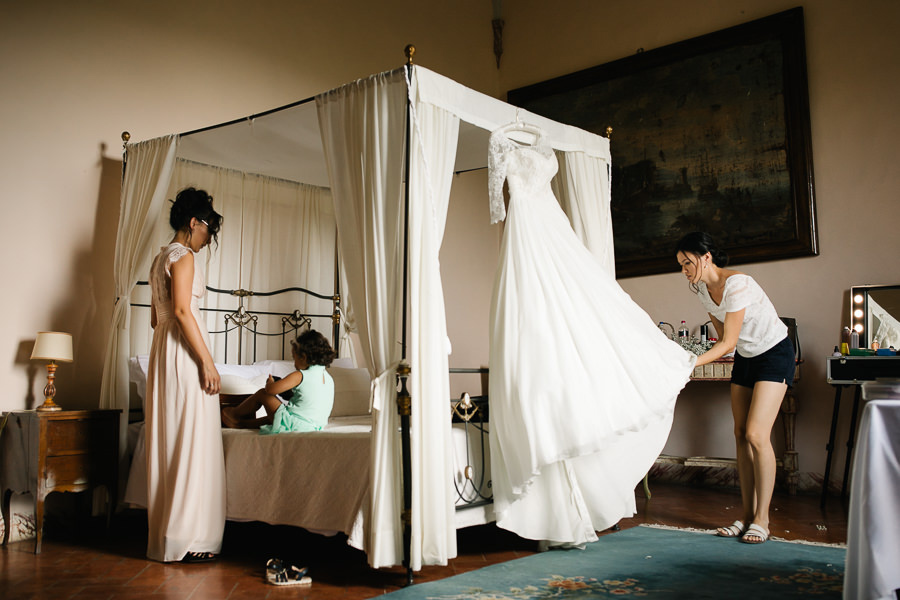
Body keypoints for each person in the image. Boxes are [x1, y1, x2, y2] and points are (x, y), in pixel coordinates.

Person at [675, 231, 795, 545]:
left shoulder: (738, 284)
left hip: (775, 354)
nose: (685, 270)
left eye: (688, 262)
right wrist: (695, 358)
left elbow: (727, 340)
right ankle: (745, 516)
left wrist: (687, 362)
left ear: (705, 257)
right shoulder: (700, 288)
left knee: (757, 434)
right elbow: (726, 341)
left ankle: (763, 520)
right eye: (681, 264)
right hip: (746, 356)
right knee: (740, 433)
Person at [145, 187, 225, 563]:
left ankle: (168, 534)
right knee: (192, 437)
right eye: (207, 231)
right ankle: (190, 536)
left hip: (163, 350)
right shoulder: (185, 255)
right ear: (193, 223)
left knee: (171, 438)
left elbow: (155, 318)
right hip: (183, 350)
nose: (207, 240)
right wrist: (206, 361)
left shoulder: (160, 257)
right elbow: (181, 311)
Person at [221, 329, 335, 432]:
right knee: (279, 415)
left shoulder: (299, 375)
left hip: (294, 424)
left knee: (263, 394)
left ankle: (234, 414)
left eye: (294, 358)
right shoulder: (328, 378)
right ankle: (243, 424)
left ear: (303, 357)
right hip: (313, 427)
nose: (294, 364)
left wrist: (270, 383)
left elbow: (270, 390)